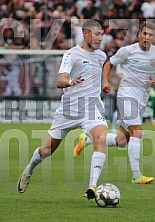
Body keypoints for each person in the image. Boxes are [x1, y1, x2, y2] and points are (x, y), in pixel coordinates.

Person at [17, 19, 108, 200]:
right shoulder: (71, 54)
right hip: (68, 110)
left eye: (102, 35)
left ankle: (92, 185)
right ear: (85, 33)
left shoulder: (102, 56)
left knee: (101, 139)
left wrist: (105, 83)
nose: (100, 38)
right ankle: (29, 169)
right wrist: (70, 82)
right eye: (97, 34)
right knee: (46, 151)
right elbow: (59, 81)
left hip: (92, 109)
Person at [73, 22, 155, 184]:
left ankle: (87, 139)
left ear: (154, 38)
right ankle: (137, 176)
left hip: (142, 98)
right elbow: (109, 63)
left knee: (122, 141)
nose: (147, 38)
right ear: (139, 34)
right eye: (145, 34)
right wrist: (105, 82)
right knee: (137, 131)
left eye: (151, 35)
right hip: (127, 95)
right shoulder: (127, 51)